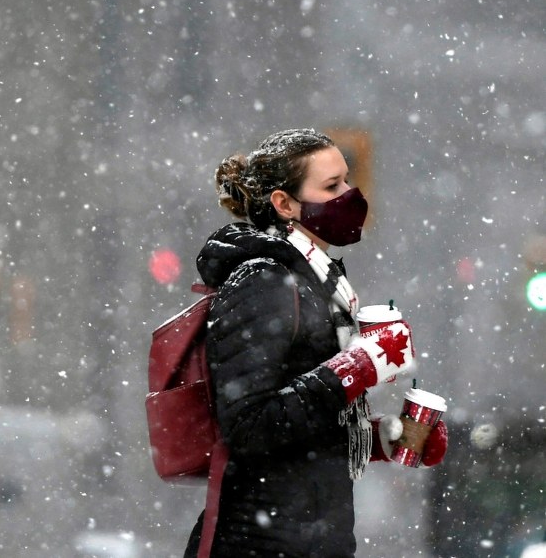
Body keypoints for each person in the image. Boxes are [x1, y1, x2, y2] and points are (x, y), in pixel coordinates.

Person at [185, 129, 448, 558]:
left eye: (346, 179)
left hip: (311, 540)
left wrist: (387, 439)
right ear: (284, 204)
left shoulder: (320, 284)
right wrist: (357, 367)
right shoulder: (263, 281)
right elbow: (248, 425)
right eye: (332, 186)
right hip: (259, 542)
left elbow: (306, 429)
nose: (351, 194)